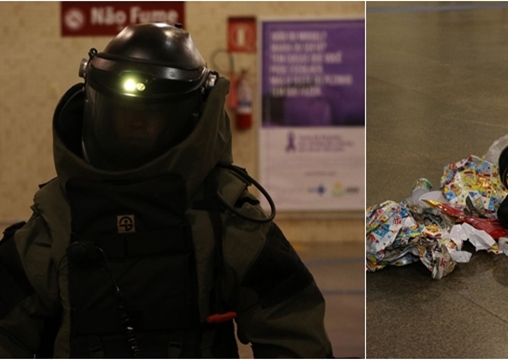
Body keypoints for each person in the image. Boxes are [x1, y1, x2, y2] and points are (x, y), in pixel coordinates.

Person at [0, 22, 333, 358]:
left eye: (154, 111)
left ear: (192, 114)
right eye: (124, 109)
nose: (138, 122)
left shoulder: (222, 215)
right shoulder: (59, 214)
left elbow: (293, 333)